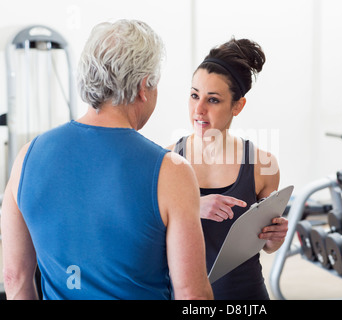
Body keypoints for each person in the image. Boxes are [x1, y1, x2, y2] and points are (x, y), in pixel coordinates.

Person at [1, 19, 213, 300]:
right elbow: (192, 296)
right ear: (143, 87)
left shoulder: (26, 157)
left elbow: (14, 278)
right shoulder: (171, 171)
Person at [168, 38, 288, 300]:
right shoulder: (166, 160)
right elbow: (148, 231)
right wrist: (192, 207)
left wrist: (275, 236)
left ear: (237, 106)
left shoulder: (263, 166)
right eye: (194, 95)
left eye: (213, 100)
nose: (198, 110)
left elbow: (267, 246)